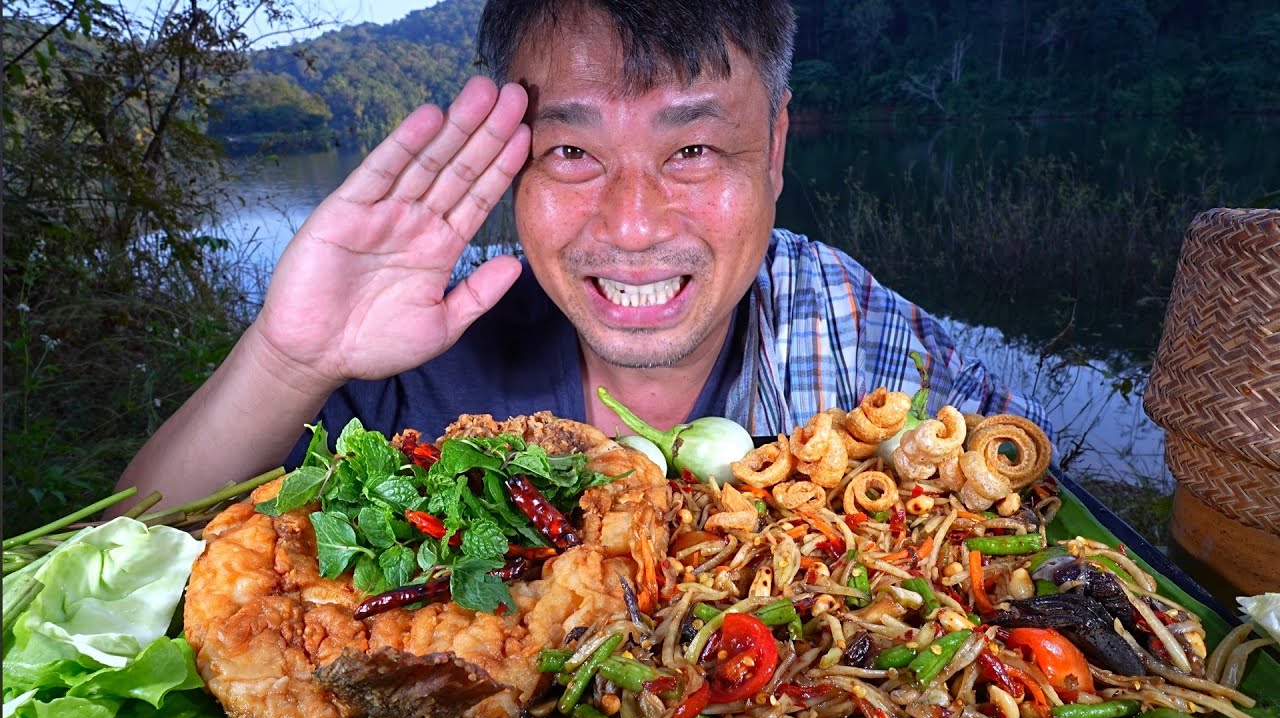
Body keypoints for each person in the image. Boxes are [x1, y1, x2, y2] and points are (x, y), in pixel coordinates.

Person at [117, 0, 1049, 510]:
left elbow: (1038, 517)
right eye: (571, 152)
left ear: (772, 151)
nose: (633, 225)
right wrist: (289, 360)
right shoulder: (422, 358)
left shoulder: (864, 344)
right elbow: (119, 559)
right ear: (512, 161)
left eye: (691, 150)